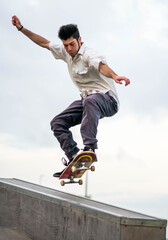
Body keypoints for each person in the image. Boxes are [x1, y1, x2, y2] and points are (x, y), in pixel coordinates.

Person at [12, 15, 130, 177]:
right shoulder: (65, 51)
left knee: (90, 101)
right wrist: (21, 28)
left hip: (107, 100)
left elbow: (102, 67)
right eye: (65, 45)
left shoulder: (89, 54)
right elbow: (43, 43)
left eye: (72, 45)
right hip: (88, 102)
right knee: (58, 122)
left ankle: (89, 148)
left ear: (79, 40)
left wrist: (115, 76)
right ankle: (74, 157)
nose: (69, 49)